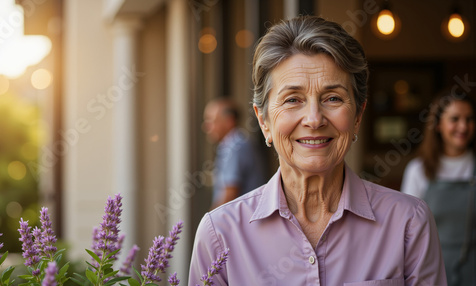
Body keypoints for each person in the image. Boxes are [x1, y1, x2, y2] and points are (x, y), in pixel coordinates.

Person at [189, 15, 446, 286]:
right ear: (263, 121)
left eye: (332, 98)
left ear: (358, 115)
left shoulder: (408, 223)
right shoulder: (219, 234)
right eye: (293, 100)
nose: (314, 119)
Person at [401, 92, 475, 285]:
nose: (463, 126)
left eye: (469, 119)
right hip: (430, 271)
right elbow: (405, 230)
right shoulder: (418, 170)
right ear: (438, 124)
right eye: (454, 119)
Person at [202, 98, 269, 210]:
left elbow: (230, 194)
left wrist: (210, 222)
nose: (206, 127)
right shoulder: (237, 142)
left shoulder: (234, 147)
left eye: (211, 121)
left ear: (229, 121)